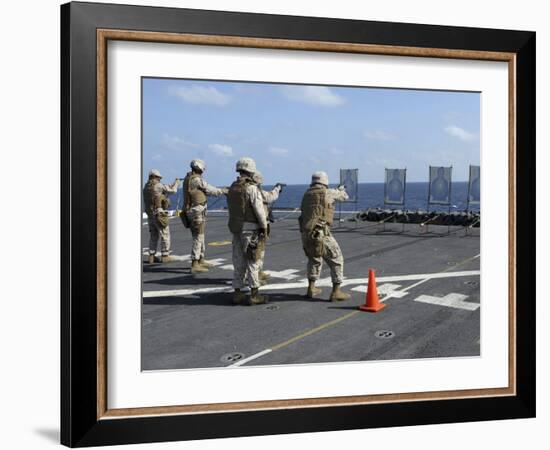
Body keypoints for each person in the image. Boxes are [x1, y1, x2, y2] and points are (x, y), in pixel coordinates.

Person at [299, 171, 350, 301]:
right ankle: (336, 292)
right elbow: (344, 197)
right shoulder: (327, 192)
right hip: (321, 233)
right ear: (325, 182)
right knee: (337, 259)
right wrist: (340, 190)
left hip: (306, 233)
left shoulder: (307, 194)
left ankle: (311, 288)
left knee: (314, 259)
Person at [227, 157, 269, 305]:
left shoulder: (233, 187)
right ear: (251, 170)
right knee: (253, 261)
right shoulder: (251, 188)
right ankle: (254, 294)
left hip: (236, 229)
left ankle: (237, 293)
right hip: (250, 230)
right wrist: (264, 227)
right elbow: (259, 210)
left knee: (238, 262)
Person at [181, 159, 228, 274]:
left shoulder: (188, 178)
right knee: (198, 236)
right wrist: (223, 191)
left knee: (200, 235)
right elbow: (210, 189)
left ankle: (201, 259)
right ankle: (195, 263)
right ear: (200, 168)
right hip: (197, 210)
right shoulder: (196, 180)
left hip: (192, 210)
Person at [251, 171, 284, 283]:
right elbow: (270, 197)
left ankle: (256, 273)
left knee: (252, 252)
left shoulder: (245, 190)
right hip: (259, 225)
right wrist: (277, 189)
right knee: (258, 251)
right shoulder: (257, 191)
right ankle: (256, 274)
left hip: (246, 224)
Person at [143, 169, 179, 263]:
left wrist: (172, 184)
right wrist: (177, 183)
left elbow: (162, 190)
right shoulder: (158, 185)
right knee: (165, 234)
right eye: (159, 178)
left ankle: (151, 256)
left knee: (153, 235)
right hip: (159, 214)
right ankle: (165, 255)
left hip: (150, 214)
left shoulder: (146, 187)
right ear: (155, 177)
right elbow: (173, 191)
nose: (159, 179)